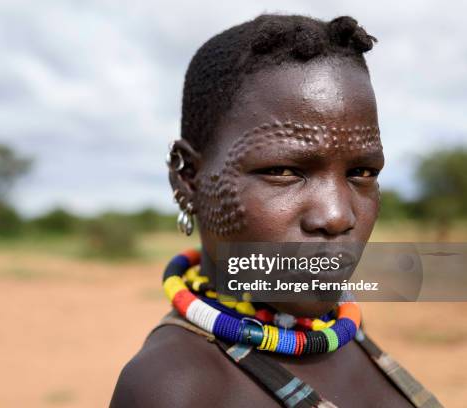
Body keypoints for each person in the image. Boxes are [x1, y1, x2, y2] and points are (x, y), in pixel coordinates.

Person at [110, 14, 441, 407]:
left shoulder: (344, 329)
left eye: (361, 172)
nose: (337, 216)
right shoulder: (177, 388)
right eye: (283, 171)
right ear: (189, 179)